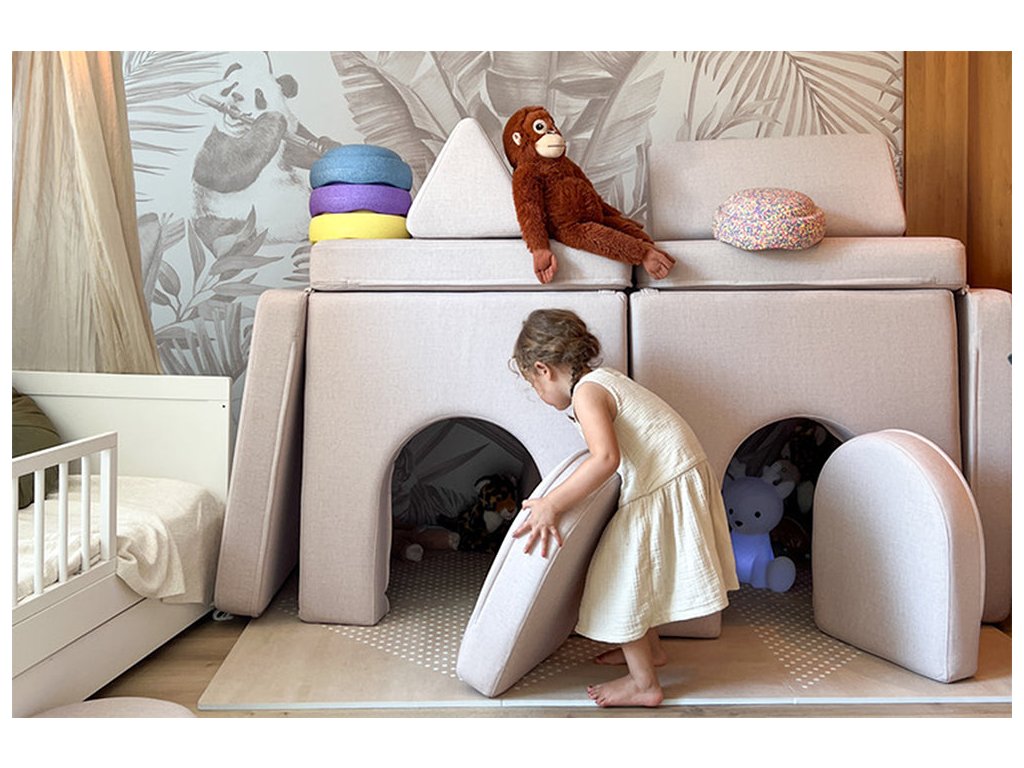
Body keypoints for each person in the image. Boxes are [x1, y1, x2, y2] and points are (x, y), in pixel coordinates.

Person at [510, 308, 739, 707]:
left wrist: (552, 503)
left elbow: (604, 458)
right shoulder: (603, 380)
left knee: (617, 577)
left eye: (534, 385)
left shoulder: (587, 392)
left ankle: (644, 684)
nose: (540, 396)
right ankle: (651, 650)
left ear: (543, 369)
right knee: (637, 571)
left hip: (664, 482)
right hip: (671, 476)